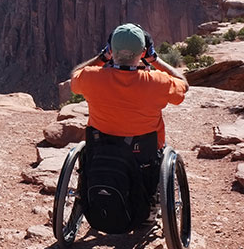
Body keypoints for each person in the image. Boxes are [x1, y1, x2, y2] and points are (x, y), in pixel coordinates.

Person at [69, 23, 188, 227]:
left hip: (101, 149)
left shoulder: (91, 78)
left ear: (111, 51)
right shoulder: (158, 82)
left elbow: (74, 76)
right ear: (142, 52)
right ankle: (153, 204)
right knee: (163, 152)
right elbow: (183, 84)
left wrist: (102, 57)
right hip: (144, 153)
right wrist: (154, 59)